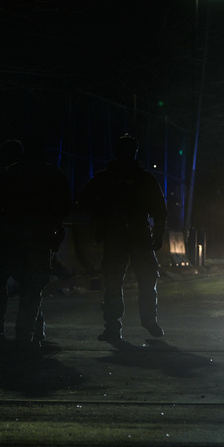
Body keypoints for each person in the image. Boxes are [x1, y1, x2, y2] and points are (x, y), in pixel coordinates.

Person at [0, 140, 72, 348]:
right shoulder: (52, 174)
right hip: (38, 238)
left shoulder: (10, 174)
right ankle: (27, 331)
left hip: (10, 239)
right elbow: (66, 205)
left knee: (4, 281)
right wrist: (55, 226)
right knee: (32, 287)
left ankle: (3, 323)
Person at [78, 134, 168, 343]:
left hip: (125, 233)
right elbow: (160, 210)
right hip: (131, 233)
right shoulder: (139, 178)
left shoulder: (110, 177)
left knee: (119, 280)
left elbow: (84, 200)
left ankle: (116, 325)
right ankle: (139, 322)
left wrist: (99, 218)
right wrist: (158, 233)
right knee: (130, 280)